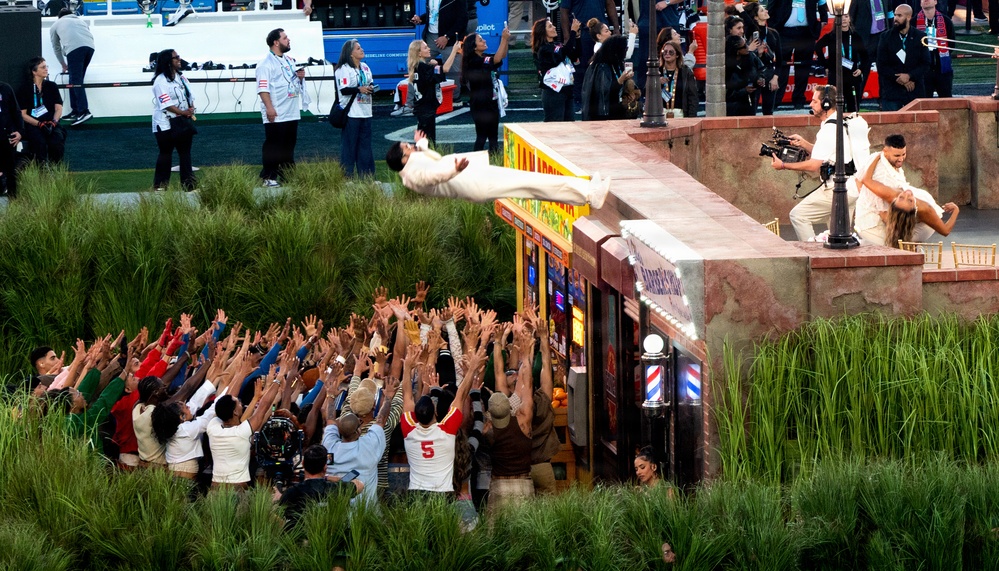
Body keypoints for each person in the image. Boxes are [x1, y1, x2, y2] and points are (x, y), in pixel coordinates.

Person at [385, 130, 611, 208]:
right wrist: (454, 170)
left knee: (534, 184)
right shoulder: (413, 174)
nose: (412, 147)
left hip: (476, 180)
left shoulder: (412, 167)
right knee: (534, 183)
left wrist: (422, 145)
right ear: (404, 158)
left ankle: (586, 193)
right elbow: (432, 176)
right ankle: (590, 193)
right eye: (408, 147)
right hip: (475, 182)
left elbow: (431, 159)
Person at [770, 85, 864, 241]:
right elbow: (830, 153)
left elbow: (814, 165)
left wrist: (783, 165)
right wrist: (804, 143)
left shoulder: (828, 129)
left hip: (838, 188)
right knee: (839, 234)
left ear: (826, 104)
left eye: (814, 101)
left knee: (798, 215)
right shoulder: (839, 122)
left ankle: (814, 253)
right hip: (852, 187)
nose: (811, 105)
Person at [400, 345, 480, 496]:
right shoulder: (447, 429)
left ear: (414, 415)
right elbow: (461, 395)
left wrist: (407, 368)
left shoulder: (409, 429)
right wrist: (471, 370)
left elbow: (407, 396)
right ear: (435, 411)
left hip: (416, 493)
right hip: (442, 493)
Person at [855, 134, 959, 246]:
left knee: (897, 243)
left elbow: (945, 230)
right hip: (897, 222)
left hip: (919, 228)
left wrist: (956, 210)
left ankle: (905, 246)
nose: (901, 159)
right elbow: (861, 180)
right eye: (897, 155)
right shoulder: (896, 195)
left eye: (903, 154)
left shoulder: (925, 209)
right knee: (894, 238)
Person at [322, 377, 400, 507]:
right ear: (358, 430)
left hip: (335, 514)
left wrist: (330, 395)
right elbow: (381, 419)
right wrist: (388, 397)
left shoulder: (329, 446)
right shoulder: (368, 446)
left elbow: (330, 419)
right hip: (364, 515)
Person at [207, 368, 281, 487]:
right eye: (239, 403)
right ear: (235, 412)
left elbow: (224, 401)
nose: (242, 405)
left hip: (215, 489)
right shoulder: (242, 432)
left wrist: (241, 374)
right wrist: (279, 378)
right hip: (238, 489)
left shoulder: (212, 427)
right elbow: (264, 406)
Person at [256, 28, 309, 187]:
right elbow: (262, 89)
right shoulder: (265, 64)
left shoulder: (289, 60)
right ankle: (268, 177)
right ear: (276, 42)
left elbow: (292, 82)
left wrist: (300, 78)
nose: (289, 40)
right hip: (276, 112)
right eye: (285, 38)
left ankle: (288, 175)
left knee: (288, 146)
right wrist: (269, 108)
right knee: (273, 146)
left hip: (291, 111)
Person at [276, 444, 362, 529]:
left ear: (303, 463)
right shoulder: (337, 489)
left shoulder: (291, 493)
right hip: (332, 539)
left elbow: (279, 516)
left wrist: (278, 499)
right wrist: (329, 478)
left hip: (299, 540)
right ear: (325, 467)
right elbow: (359, 484)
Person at [151, 49, 197, 192]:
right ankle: (160, 186)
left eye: (178, 56)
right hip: (165, 123)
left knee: (185, 153)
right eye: (176, 57)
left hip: (182, 121)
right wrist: (183, 112)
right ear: (167, 62)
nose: (179, 59)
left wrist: (191, 108)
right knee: (166, 153)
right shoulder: (160, 82)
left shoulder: (181, 77)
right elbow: (166, 105)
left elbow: (189, 95)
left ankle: (189, 185)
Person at [561, 0, 621, 111]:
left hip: (600, 31)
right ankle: (578, 99)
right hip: (582, 31)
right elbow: (564, 11)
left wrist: (616, 28)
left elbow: (610, 4)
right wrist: (567, 36)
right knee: (580, 67)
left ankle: (601, 99)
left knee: (604, 67)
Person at [769, 0, 828, 110]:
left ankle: (799, 99)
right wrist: (773, 25)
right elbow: (771, 6)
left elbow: (821, 3)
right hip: (784, 32)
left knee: (803, 68)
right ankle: (776, 100)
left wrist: (824, 20)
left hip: (806, 32)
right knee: (782, 65)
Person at [460, 27, 511, 152]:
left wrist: (506, 41)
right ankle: (476, 162)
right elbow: (497, 59)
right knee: (482, 136)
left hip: (490, 101)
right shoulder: (473, 60)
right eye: (480, 40)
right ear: (474, 46)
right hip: (480, 104)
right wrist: (503, 39)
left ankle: (494, 162)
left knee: (493, 137)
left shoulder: (483, 57)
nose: (484, 41)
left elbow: (501, 55)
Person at [335, 39, 375, 177]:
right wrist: (359, 89)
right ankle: (347, 176)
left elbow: (371, 83)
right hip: (351, 113)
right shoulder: (343, 69)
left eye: (361, 47)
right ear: (350, 53)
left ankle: (367, 175)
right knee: (349, 147)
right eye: (358, 48)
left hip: (366, 111)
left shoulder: (365, 67)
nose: (362, 50)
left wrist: (371, 89)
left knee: (365, 146)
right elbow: (344, 90)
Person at [407, 38, 459, 144]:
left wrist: (433, 65)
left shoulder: (417, 66)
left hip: (421, 107)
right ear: (419, 53)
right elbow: (445, 69)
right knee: (428, 142)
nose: (429, 49)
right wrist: (454, 51)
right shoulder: (423, 67)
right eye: (425, 47)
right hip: (426, 108)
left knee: (423, 140)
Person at [814, 14, 870, 113]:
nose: (844, 19)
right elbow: (818, 47)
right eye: (841, 17)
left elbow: (865, 56)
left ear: (850, 20)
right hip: (836, 77)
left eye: (846, 16)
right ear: (836, 20)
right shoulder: (832, 36)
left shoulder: (855, 36)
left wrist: (861, 69)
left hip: (852, 76)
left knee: (853, 109)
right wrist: (826, 64)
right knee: (836, 109)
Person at [876, 5, 928, 111]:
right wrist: (901, 79)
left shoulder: (920, 37)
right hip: (892, 92)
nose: (895, 18)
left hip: (914, 91)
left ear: (908, 17)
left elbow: (925, 63)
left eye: (899, 16)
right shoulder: (885, 37)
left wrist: (910, 76)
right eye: (895, 15)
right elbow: (881, 65)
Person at [49, 8, 95, 126]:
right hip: (90, 48)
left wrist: (63, 64)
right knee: (75, 80)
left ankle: (84, 111)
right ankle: (76, 110)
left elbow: (56, 48)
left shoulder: (56, 24)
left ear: (59, 17)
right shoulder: (81, 21)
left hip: (74, 49)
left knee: (76, 81)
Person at [17, 58, 66, 166]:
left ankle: (56, 168)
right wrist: (39, 124)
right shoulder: (24, 89)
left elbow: (58, 108)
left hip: (51, 122)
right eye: (43, 67)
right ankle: (41, 168)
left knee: (57, 141)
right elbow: (23, 114)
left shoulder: (51, 86)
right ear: (34, 71)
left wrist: (54, 121)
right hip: (33, 124)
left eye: (46, 66)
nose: (46, 69)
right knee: (39, 142)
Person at [411, 0, 467, 92]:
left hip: (449, 39)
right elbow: (435, 13)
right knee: (420, 64)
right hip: (430, 37)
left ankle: (454, 98)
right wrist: (421, 19)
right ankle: (424, 94)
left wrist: (447, 36)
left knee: (452, 70)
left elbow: (463, 18)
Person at [533, 17, 582, 122]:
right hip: (553, 91)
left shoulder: (557, 44)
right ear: (543, 32)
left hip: (567, 90)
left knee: (569, 125)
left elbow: (575, 55)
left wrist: (577, 37)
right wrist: (572, 31)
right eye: (550, 26)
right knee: (555, 125)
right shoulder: (543, 49)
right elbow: (560, 55)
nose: (554, 27)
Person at [742, 2, 783, 116]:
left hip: (769, 73)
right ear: (755, 17)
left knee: (769, 111)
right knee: (752, 110)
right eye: (762, 10)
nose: (766, 11)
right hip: (754, 73)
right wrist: (741, 9)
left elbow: (780, 60)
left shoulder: (773, 33)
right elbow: (750, 24)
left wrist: (775, 78)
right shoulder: (751, 31)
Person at [581, 35, 633, 121]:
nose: (626, 51)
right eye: (625, 49)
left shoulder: (617, 63)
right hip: (604, 114)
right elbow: (603, 92)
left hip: (616, 109)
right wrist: (620, 80)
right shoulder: (601, 67)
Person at [915, 0, 955, 99]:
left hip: (942, 70)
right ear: (920, 3)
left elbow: (951, 45)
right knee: (924, 105)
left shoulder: (946, 21)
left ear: (936, 1)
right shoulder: (913, 21)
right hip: (922, 72)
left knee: (946, 104)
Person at [725, 35, 764, 116]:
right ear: (737, 51)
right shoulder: (726, 65)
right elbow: (726, 91)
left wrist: (760, 79)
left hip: (750, 100)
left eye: (746, 44)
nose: (747, 47)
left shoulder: (751, 56)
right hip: (733, 105)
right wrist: (743, 91)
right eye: (744, 46)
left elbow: (761, 70)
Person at [659, 40, 699, 118]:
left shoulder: (685, 72)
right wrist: (656, 82)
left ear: (677, 55)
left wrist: (691, 118)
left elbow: (692, 97)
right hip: (660, 114)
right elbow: (646, 92)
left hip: (680, 115)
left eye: (671, 52)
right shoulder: (656, 71)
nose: (667, 54)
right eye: (665, 52)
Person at [0, 82, 23, 198]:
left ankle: (14, 202)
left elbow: (16, 111)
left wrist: (19, 131)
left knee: (11, 171)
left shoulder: (6, 88)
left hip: (7, 135)